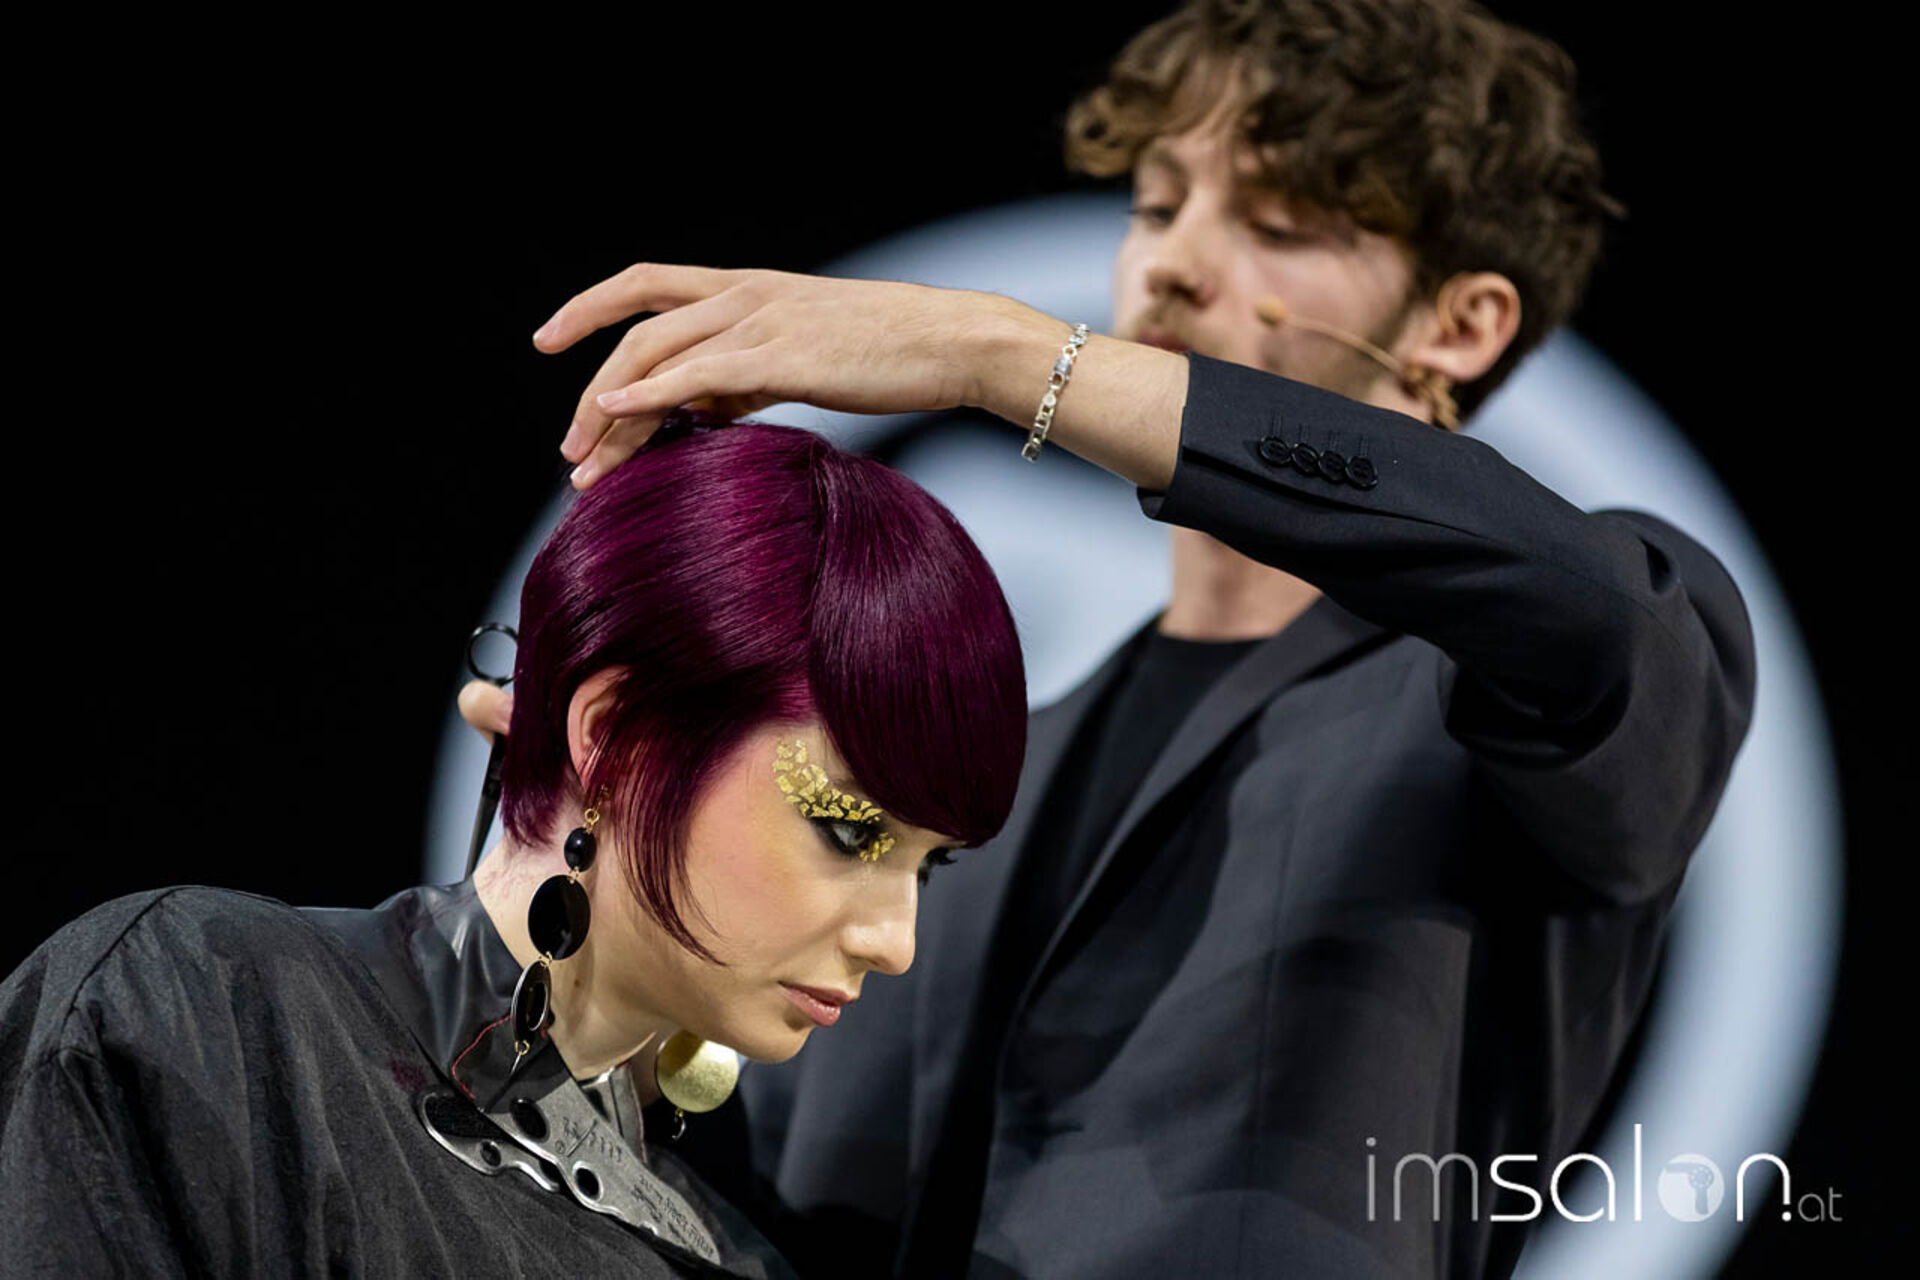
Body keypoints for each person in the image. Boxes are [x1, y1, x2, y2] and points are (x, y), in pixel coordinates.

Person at [459, 2, 1759, 1277]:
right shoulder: (973, 782)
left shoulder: (1545, 678)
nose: (1172, 265)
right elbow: (762, 1214)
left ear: (1460, 324)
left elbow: (1580, 603)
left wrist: (993, 353)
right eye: (1158, 204)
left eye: (1278, 224)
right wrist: (623, 862)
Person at [0, 412, 1030, 1276]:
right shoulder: (204, 1016)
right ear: (618, 739)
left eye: (928, 863)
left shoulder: (735, 1260)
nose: (896, 941)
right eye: (848, 829)